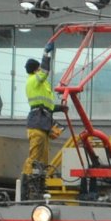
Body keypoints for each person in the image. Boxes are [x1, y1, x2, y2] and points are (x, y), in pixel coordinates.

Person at [21, 42, 66, 194]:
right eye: (39, 67)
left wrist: (60, 108)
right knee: (34, 156)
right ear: (36, 68)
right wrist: (46, 54)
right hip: (37, 123)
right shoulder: (35, 79)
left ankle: (39, 184)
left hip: (43, 124)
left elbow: (47, 106)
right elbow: (45, 71)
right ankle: (27, 182)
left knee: (43, 158)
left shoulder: (40, 85)